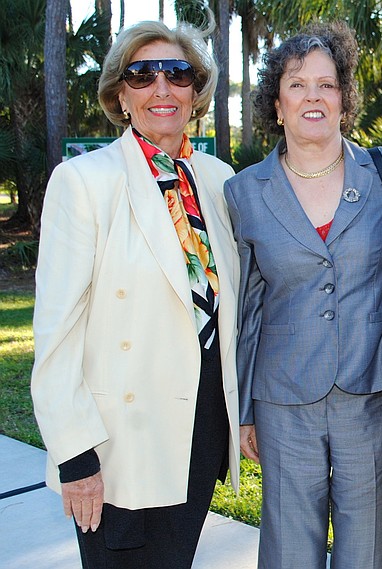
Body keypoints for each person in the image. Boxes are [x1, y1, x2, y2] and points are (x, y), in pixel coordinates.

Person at [30, 19, 241, 568]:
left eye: (178, 74)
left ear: (197, 91)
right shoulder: (83, 182)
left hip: (199, 431)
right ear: (120, 95)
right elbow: (56, 332)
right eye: (142, 75)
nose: (162, 89)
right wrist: (75, 456)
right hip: (119, 445)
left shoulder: (220, 179)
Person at [223, 21, 382, 569]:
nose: (313, 95)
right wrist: (243, 409)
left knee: (365, 552)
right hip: (284, 400)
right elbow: (247, 307)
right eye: (297, 84)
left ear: (344, 100)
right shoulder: (244, 192)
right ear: (277, 104)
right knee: (289, 552)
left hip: (374, 392)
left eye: (326, 84)